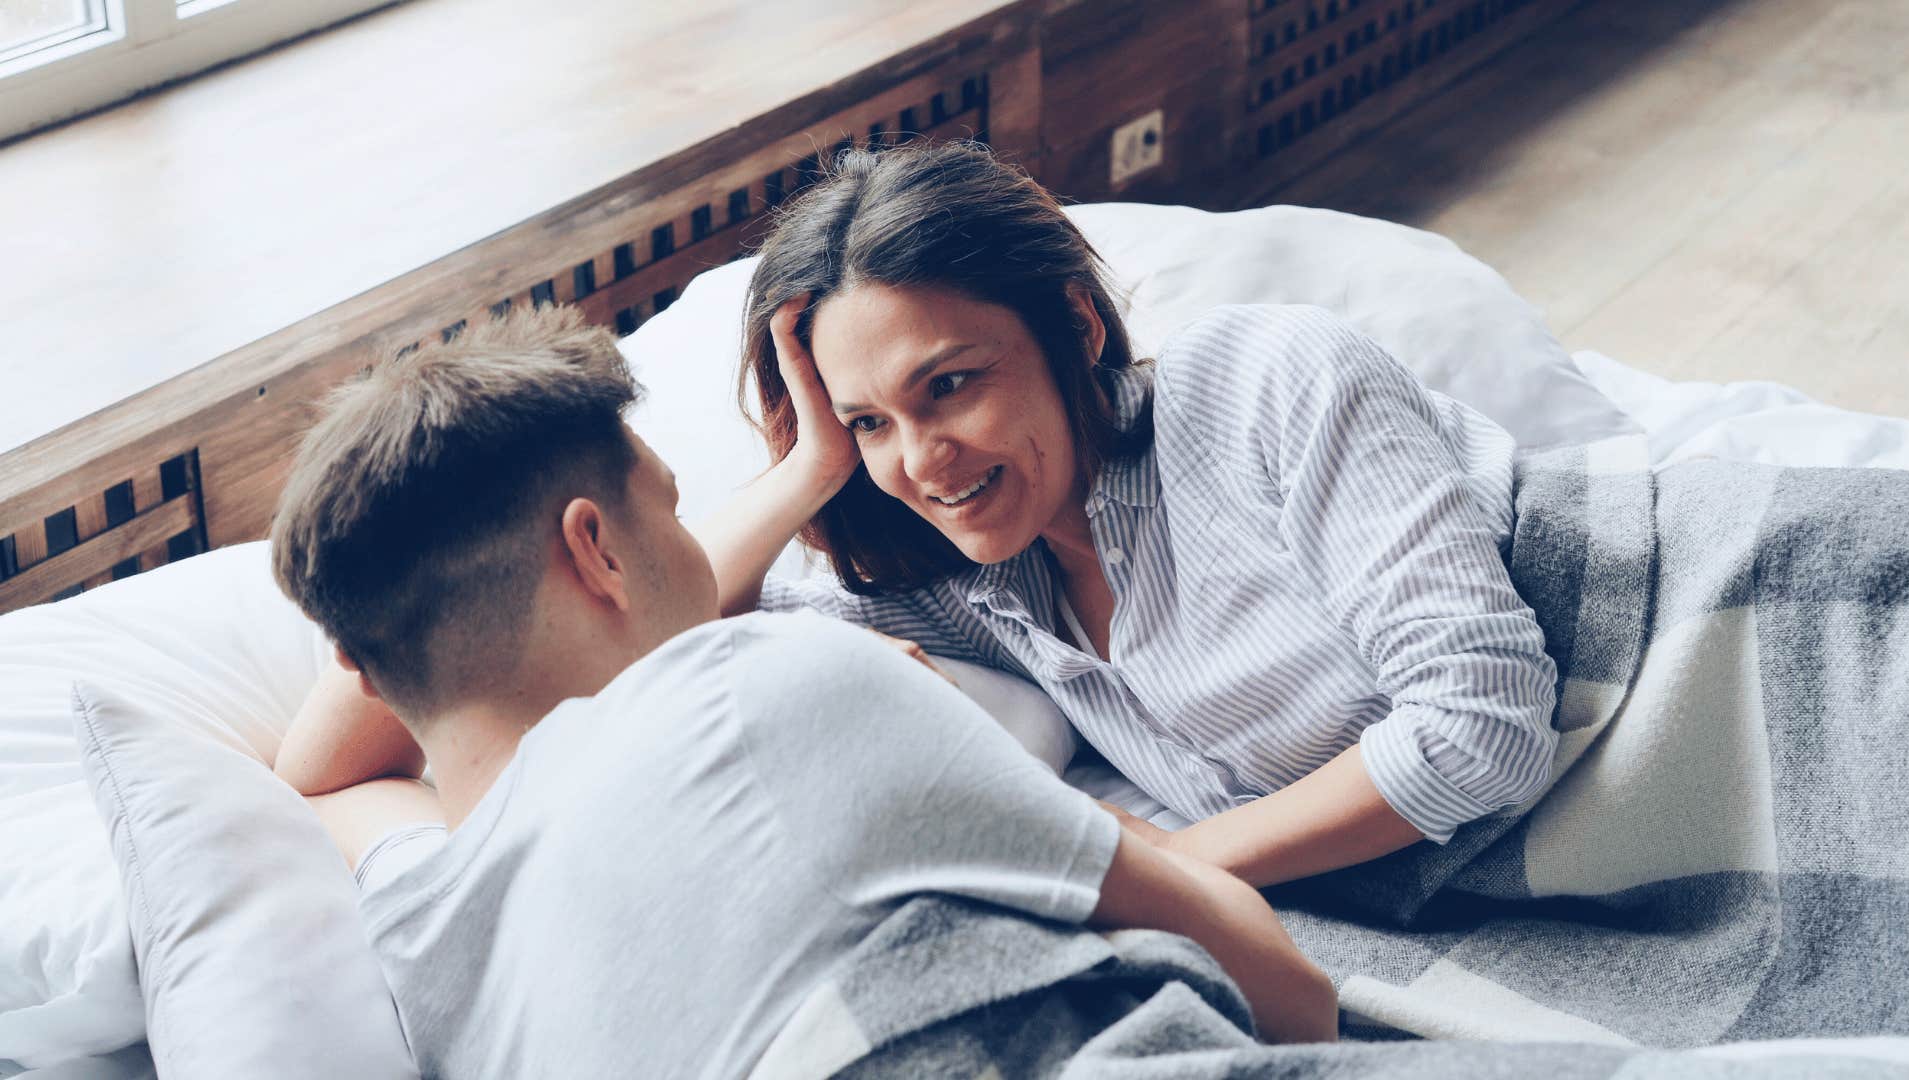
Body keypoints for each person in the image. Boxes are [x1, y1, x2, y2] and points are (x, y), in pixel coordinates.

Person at [267, 304, 1337, 1077]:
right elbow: (1284, 986)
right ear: (594, 549)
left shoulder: (424, 915)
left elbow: (319, 772)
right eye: (674, 511)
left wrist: (374, 614)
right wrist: (802, 480)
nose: (696, 547)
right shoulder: (754, 690)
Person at [696, 141, 1563, 889]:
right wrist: (809, 469)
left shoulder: (1261, 376)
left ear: (1075, 326)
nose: (922, 461)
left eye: (950, 384)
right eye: (869, 422)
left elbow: (1483, 717)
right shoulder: (971, 588)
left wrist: (1169, 870)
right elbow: (677, 645)